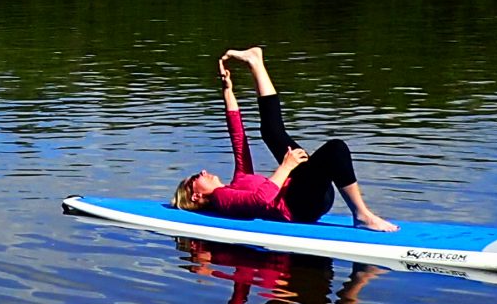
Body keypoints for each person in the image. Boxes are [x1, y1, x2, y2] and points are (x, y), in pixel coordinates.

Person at [170, 46, 397, 231]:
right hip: (298, 206)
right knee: (335, 149)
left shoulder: (238, 180)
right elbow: (261, 200)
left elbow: (238, 138)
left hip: (304, 190)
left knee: (271, 132)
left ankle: (256, 63)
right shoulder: (221, 199)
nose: (201, 172)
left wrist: (227, 91)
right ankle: (362, 215)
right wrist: (286, 166)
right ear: (197, 196)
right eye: (193, 180)